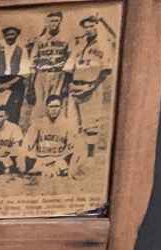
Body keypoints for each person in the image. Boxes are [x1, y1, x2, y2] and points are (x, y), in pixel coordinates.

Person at [68, 14, 117, 158]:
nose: (89, 29)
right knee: (73, 122)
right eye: (86, 27)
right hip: (75, 85)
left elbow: (106, 69)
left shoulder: (103, 44)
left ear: (97, 26)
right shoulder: (79, 43)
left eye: (92, 26)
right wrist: (70, 84)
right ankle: (76, 154)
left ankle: (90, 156)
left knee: (91, 123)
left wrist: (92, 87)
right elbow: (70, 66)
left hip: (91, 86)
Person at [29, 10, 74, 116]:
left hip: (58, 74)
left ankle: (56, 123)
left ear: (60, 22)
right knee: (40, 103)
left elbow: (71, 58)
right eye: (51, 21)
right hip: (42, 74)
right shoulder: (40, 40)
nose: (54, 23)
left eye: (57, 20)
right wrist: (32, 80)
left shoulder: (66, 38)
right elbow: (33, 60)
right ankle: (41, 123)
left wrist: (67, 78)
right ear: (47, 22)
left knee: (55, 101)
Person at [0, 24, 29, 127]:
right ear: (4, 36)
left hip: (15, 83)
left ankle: (12, 133)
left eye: (12, 34)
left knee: (13, 112)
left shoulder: (22, 50)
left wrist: (8, 84)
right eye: (7, 35)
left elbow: (24, 72)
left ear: (17, 35)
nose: (10, 37)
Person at [24, 94, 78, 177]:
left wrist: (62, 161)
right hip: (41, 159)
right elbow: (27, 146)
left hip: (58, 160)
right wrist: (35, 160)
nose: (54, 109)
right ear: (46, 108)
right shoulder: (38, 123)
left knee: (63, 167)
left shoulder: (67, 124)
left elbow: (71, 148)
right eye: (51, 106)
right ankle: (43, 170)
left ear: (61, 107)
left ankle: (54, 170)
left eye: (56, 106)